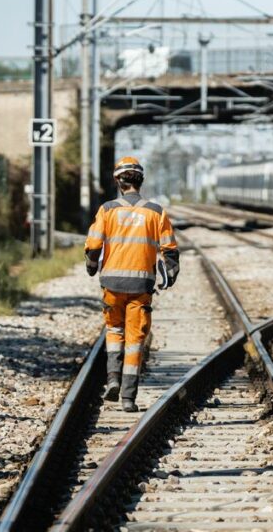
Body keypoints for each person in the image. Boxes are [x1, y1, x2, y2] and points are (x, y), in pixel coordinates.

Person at [84, 156, 180, 413]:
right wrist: (170, 273)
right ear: (141, 181)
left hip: (112, 284)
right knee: (136, 340)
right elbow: (170, 250)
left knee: (114, 331)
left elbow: (93, 245)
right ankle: (128, 398)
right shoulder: (156, 212)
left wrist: (92, 267)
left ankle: (113, 378)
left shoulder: (107, 210)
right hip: (141, 286)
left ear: (118, 181)